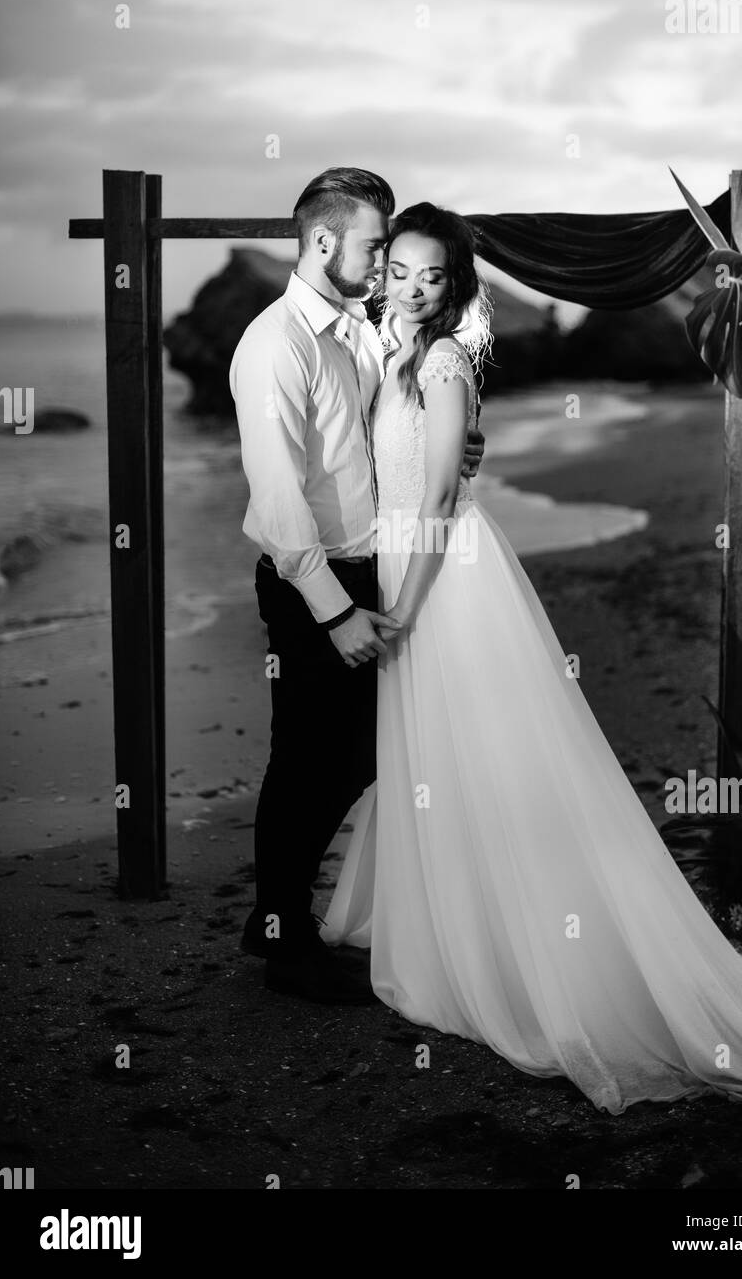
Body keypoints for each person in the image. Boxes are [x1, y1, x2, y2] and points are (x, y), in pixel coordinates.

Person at [322, 200, 742, 1114]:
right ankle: (461, 922)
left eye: (431, 276)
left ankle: (521, 945)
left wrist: (401, 605)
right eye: (399, 271)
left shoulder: (445, 362)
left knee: (492, 754)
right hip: (410, 561)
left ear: (455, 287)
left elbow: (445, 490)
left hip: (442, 576)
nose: (412, 288)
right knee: (438, 761)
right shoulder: (393, 353)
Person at [229, 170, 485, 1003]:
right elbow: (276, 501)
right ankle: (282, 938)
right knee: (306, 760)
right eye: (377, 247)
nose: (385, 266)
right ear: (325, 241)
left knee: (361, 755)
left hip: (371, 567)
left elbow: (399, 432)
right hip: (316, 586)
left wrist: (449, 450)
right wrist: (334, 612)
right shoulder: (277, 346)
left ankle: (277, 913)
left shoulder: (355, 331)